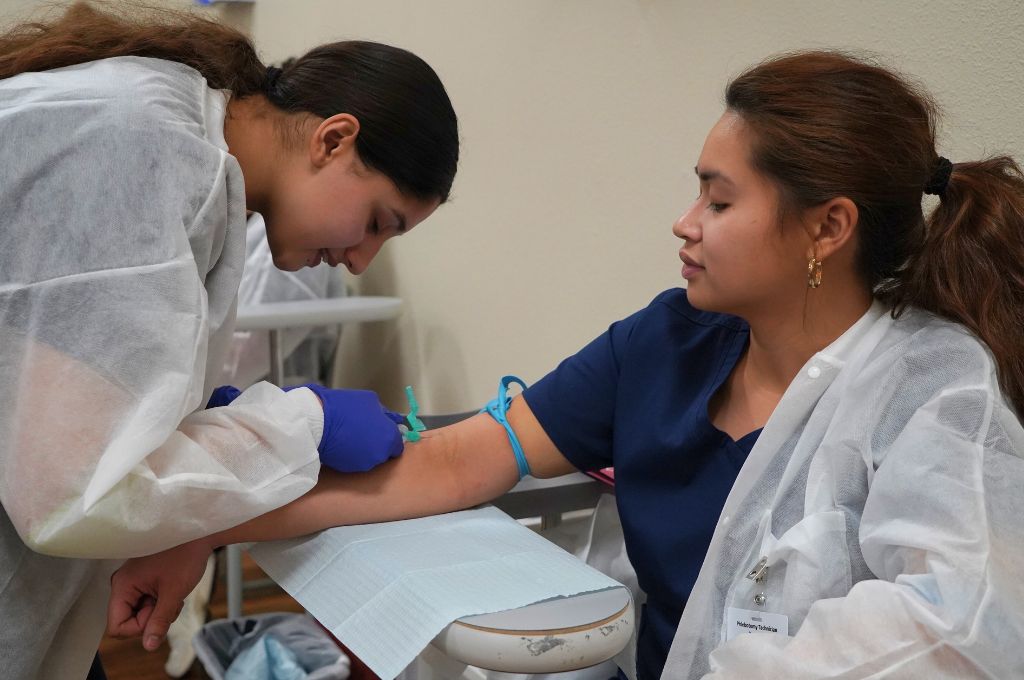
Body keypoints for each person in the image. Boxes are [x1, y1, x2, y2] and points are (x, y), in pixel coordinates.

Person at [107, 50, 1024, 679]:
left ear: (828, 226)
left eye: (718, 197)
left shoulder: (933, 393)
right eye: (694, 189)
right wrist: (206, 523)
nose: (685, 221)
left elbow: (956, 636)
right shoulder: (667, 343)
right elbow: (455, 462)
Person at [0, 1, 458, 677]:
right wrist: (306, 421)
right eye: (377, 221)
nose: (362, 259)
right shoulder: (149, 148)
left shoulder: (178, 132)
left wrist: (194, 404)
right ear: (333, 140)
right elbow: (75, 495)